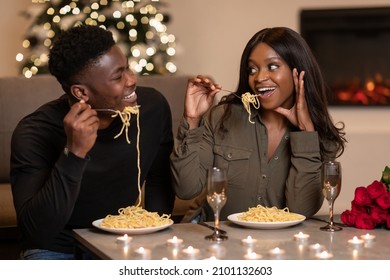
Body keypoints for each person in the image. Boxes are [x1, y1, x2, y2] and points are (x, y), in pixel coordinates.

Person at [10, 25, 175, 259]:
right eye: (118, 76)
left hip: (125, 241)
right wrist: (74, 153)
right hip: (58, 249)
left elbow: (159, 181)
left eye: (127, 68)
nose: (132, 80)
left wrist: (152, 235)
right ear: (81, 93)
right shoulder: (34, 132)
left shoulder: (152, 107)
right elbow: (35, 231)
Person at [170, 27, 347, 223]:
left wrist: (306, 133)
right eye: (252, 69)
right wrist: (192, 120)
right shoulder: (222, 118)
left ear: (298, 72)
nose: (259, 78)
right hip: (217, 238)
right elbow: (186, 190)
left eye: (272, 67)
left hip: (280, 246)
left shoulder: (319, 136)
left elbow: (301, 210)